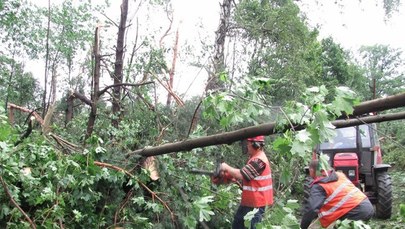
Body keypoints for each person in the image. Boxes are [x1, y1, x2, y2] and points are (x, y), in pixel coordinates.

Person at [213, 135, 273, 229]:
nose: (246, 146)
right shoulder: (255, 158)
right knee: (237, 225)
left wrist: (225, 167)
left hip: (256, 206)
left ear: (255, 145)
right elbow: (249, 178)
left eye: (248, 144)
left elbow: (242, 174)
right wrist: (232, 179)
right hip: (248, 203)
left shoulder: (259, 161)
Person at [300, 159, 374, 229]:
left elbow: (312, 209)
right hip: (367, 206)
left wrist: (303, 227)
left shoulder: (319, 186)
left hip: (354, 212)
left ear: (312, 171)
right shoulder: (339, 175)